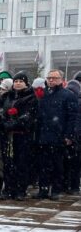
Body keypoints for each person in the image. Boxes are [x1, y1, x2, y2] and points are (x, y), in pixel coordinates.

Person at [0, 73, 37, 201]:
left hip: (22, 136)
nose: (18, 83)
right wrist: (4, 122)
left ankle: (20, 190)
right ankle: (8, 189)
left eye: (21, 81)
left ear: (26, 83)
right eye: (16, 81)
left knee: (21, 163)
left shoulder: (31, 98)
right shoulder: (6, 96)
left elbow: (28, 115)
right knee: (8, 163)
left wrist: (13, 124)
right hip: (7, 136)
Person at [35, 69, 79, 200]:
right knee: (43, 165)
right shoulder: (44, 95)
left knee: (57, 165)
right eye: (49, 78)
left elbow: (73, 117)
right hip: (44, 136)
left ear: (61, 80)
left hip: (59, 137)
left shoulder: (68, 95)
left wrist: (69, 135)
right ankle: (43, 189)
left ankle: (56, 190)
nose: (51, 80)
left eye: (54, 78)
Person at [64, 78, 81, 195]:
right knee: (73, 163)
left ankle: (71, 185)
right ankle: (72, 186)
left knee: (71, 163)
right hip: (72, 137)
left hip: (73, 137)